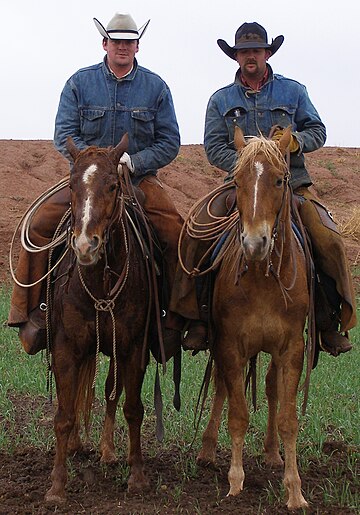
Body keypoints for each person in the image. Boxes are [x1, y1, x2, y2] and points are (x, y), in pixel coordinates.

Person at [170, 22, 357, 356]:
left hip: (292, 185)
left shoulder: (294, 92)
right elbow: (214, 147)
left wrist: (295, 142)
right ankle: (195, 317)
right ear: (236, 57)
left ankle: (327, 321)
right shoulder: (221, 99)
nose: (250, 57)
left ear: (267, 53)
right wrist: (248, 167)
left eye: (256, 50)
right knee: (194, 233)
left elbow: (318, 130)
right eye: (244, 52)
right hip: (238, 186)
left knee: (328, 240)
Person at [8, 13, 184, 356]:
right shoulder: (79, 83)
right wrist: (91, 162)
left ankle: (172, 318)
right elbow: (64, 134)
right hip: (88, 180)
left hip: (137, 179)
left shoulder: (156, 87)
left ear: (137, 46)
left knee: (176, 234)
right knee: (38, 225)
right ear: (105, 43)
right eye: (116, 41)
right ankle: (33, 313)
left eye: (128, 42)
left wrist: (136, 161)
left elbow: (170, 141)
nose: (122, 47)